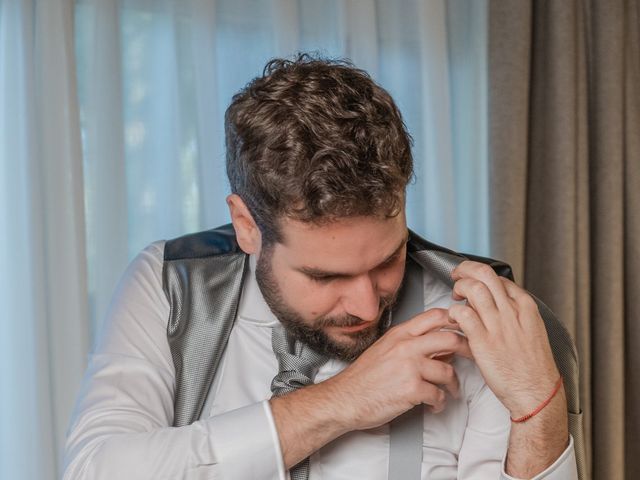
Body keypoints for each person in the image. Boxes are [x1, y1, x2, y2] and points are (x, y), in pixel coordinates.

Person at [64, 54, 578, 479]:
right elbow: (95, 469)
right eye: (324, 276)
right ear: (246, 225)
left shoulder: (475, 317)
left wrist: (540, 410)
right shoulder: (172, 283)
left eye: (387, 259)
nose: (365, 303)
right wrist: (340, 402)